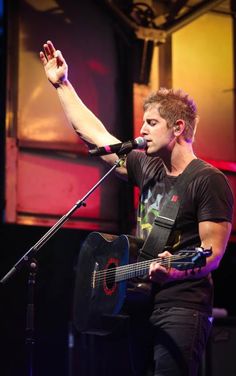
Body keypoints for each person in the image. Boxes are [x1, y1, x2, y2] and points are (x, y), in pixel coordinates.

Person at [39, 40, 234, 376]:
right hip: (142, 301)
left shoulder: (208, 180)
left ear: (178, 128)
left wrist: (172, 270)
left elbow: (212, 254)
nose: (141, 130)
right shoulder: (149, 166)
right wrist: (62, 84)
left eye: (151, 123)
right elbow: (95, 135)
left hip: (182, 307)